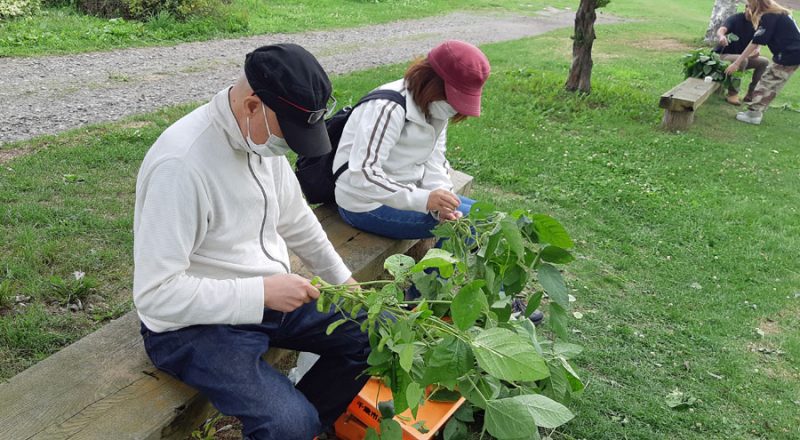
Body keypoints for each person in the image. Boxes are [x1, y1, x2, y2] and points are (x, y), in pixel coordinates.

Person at [133, 43, 370, 440]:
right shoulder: (181, 165)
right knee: (287, 423)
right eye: (288, 134)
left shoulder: (258, 141)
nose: (289, 148)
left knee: (371, 332)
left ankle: (311, 424)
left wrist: (343, 280)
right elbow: (155, 297)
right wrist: (260, 293)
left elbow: (296, 218)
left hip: (267, 296)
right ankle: (298, 426)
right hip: (191, 326)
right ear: (252, 105)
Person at [332, 40, 490, 240]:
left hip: (408, 191)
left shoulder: (435, 108)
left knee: (484, 216)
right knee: (464, 228)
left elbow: (435, 160)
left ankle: (440, 268)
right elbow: (363, 174)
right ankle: (434, 272)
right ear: (432, 81)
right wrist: (424, 200)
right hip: (365, 203)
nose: (455, 109)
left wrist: (444, 202)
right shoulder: (387, 108)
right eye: (453, 100)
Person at [725, 0, 800, 124]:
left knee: (768, 81)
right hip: (792, 52)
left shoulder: (770, 15)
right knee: (772, 82)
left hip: (789, 53)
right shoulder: (779, 13)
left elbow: (756, 42)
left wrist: (737, 62)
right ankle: (755, 112)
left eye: (749, 3)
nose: (748, 6)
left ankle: (753, 115)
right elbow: (758, 38)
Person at [714, 6, 770, 105]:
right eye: (752, 9)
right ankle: (732, 94)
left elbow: (758, 40)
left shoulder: (759, 23)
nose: (753, 12)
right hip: (724, 55)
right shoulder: (735, 18)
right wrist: (722, 36)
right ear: (746, 7)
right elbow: (721, 30)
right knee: (742, 61)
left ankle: (751, 94)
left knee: (764, 62)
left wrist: (757, 49)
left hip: (741, 57)